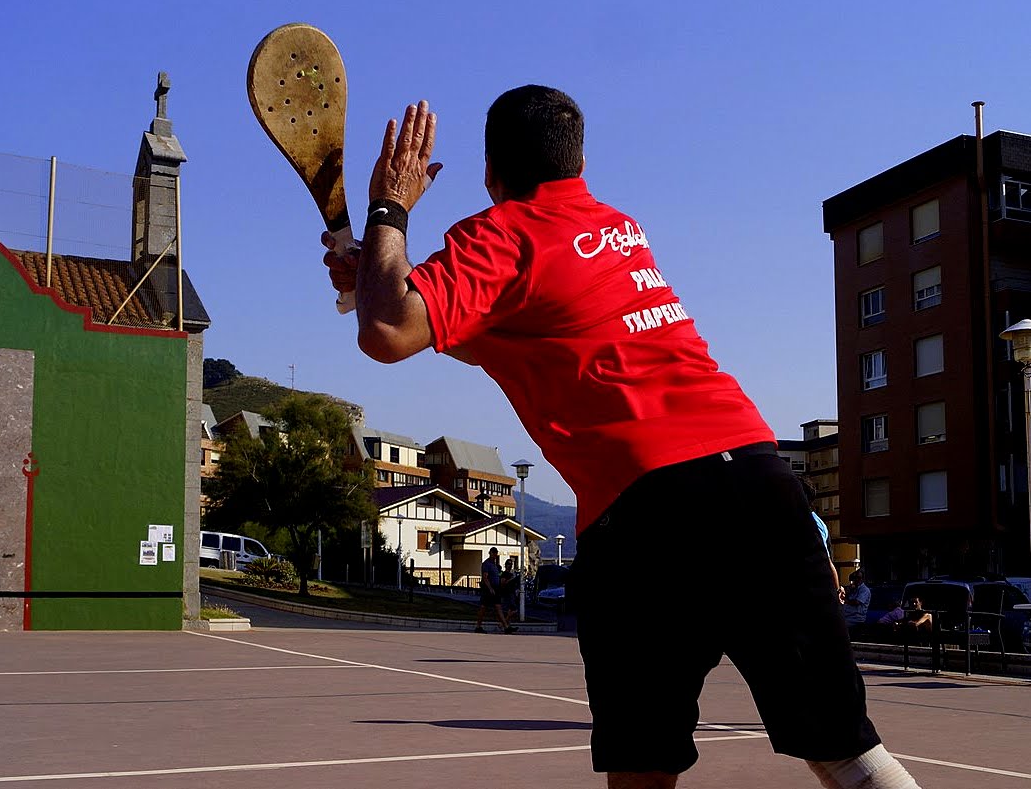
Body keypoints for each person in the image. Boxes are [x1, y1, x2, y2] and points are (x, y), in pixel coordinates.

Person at [324, 87, 920, 788]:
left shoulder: (502, 233)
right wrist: (382, 277)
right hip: (762, 483)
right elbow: (481, 330)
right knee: (846, 750)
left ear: (489, 172)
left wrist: (389, 210)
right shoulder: (617, 228)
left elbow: (388, 330)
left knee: (642, 767)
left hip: (648, 508)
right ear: (580, 162)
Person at [474, 547, 515, 634]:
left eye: (496, 553)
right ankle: (478, 626)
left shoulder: (495, 565)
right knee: (483, 607)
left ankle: (506, 627)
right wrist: (490, 588)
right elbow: (485, 577)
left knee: (498, 607)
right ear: (490, 553)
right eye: (493, 553)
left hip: (496, 588)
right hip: (488, 589)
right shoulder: (486, 564)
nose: (495, 555)